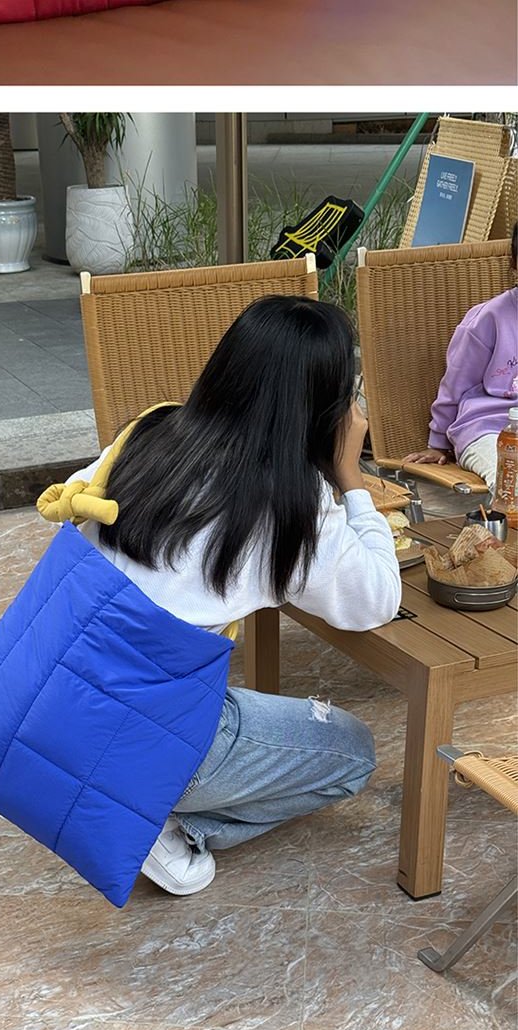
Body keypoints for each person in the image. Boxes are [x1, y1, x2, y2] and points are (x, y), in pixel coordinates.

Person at [43, 295, 402, 896]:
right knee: (354, 753)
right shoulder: (291, 505)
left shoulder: (150, 432)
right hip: (137, 740)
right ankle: (157, 821)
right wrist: (350, 478)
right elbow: (376, 599)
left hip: (48, 693)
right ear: (323, 408)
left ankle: (124, 791)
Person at [403, 221, 518, 492]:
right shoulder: (489, 319)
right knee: (511, 481)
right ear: (514, 264)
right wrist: (438, 442)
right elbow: (455, 385)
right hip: (487, 429)